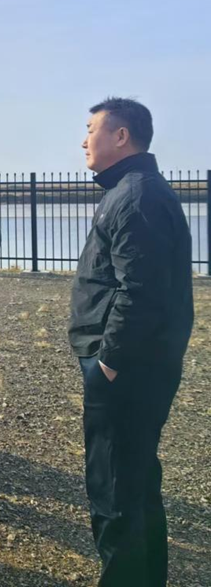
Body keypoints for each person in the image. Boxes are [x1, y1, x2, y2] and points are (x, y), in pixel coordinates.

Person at [70, 97, 193, 586]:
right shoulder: (131, 189)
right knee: (136, 479)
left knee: (116, 487)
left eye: (91, 129)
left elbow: (141, 291)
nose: (84, 140)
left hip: (126, 368)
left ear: (121, 136)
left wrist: (109, 361)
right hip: (135, 364)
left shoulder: (137, 195)